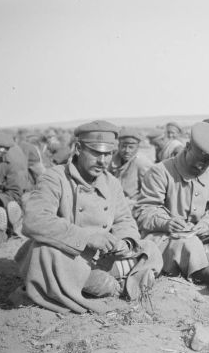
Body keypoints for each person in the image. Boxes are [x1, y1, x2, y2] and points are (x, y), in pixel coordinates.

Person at [16, 121, 163, 314]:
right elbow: (35, 220)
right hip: (68, 255)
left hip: (101, 257)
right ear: (78, 148)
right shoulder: (55, 177)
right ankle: (106, 281)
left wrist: (125, 242)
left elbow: (124, 220)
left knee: (150, 247)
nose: (103, 161)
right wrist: (87, 237)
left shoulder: (112, 183)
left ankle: (109, 280)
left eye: (108, 154)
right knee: (44, 251)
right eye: (96, 152)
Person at [135, 122, 209, 295]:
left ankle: (194, 260)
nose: (200, 166)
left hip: (201, 236)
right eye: (197, 160)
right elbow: (144, 210)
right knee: (183, 244)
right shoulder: (160, 172)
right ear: (188, 147)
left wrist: (204, 226)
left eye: (206, 163)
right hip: (167, 237)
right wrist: (167, 223)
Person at [109, 127, 154, 209]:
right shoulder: (112, 160)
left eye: (131, 147)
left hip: (132, 207)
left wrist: (131, 202)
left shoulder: (142, 163)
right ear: (118, 146)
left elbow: (149, 192)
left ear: (137, 148)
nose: (126, 150)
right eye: (123, 146)